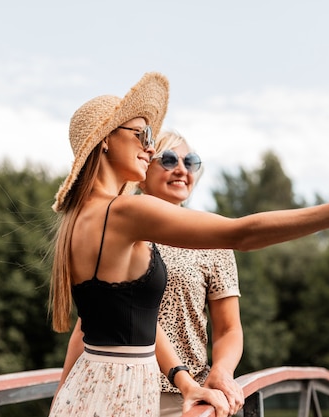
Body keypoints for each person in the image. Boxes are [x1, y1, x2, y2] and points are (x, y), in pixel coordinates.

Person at [47, 72, 329, 417]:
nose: (149, 147)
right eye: (141, 134)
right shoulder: (126, 212)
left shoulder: (78, 217)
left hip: (89, 390)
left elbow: (131, 320)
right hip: (123, 397)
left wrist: (185, 383)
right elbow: (241, 234)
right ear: (105, 139)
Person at [54, 130, 245, 417]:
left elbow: (229, 328)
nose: (181, 169)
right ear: (143, 171)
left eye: (190, 162)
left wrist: (222, 371)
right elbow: (89, 323)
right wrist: (62, 392)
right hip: (119, 388)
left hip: (183, 398)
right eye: (168, 160)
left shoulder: (213, 242)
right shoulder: (116, 227)